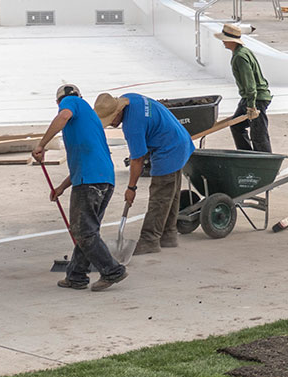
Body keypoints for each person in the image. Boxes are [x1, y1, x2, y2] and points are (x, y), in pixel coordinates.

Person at [32, 84, 127, 291]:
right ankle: (76, 275)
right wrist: (62, 187)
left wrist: (42, 144)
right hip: (103, 180)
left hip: (90, 182)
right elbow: (87, 161)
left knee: (83, 232)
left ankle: (112, 270)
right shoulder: (90, 118)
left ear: (58, 102)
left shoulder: (71, 102)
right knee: (88, 231)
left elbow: (64, 115)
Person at [93, 92, 195, 255]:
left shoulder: (132, 126)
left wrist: (131, 188)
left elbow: (137, 160)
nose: (111, 124)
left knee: (160, 195)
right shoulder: (129, 98)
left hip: (168, 148)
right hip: (179, 138)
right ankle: (168, 235)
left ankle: (149, 241)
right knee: (171, 193)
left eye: (111, 119)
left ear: (118, 111)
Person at [220, 22, 272, 152]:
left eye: (225, 39)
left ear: (232, 41)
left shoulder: (240, 57)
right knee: (236, 126)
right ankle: (247, 155)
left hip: (256, 98)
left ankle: (265, 163)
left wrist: (251, 106)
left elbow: (250, 84)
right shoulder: (241, 52)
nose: (223, 42)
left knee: (258, 134)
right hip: (249, 97)